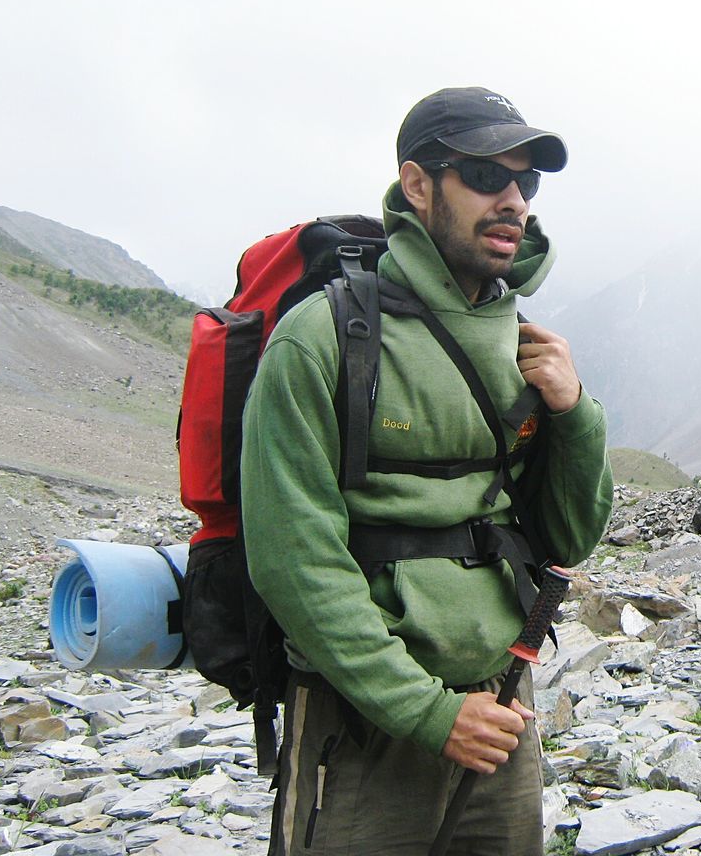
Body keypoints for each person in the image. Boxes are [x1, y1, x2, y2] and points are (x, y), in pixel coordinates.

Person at [240, 86, 613, 855]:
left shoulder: (529, 347)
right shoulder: (321, 340)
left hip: (503, 708)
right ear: (418, 184)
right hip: (362, 722)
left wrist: (576, 416)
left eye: (526, 183)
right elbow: (296, 560)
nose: (513, 200)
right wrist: (428, 712)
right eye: (485, 176)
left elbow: (567, 537)